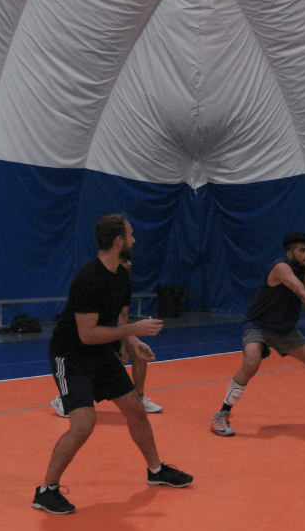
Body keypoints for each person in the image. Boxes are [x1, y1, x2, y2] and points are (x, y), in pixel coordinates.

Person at [34, 214, 192, 514]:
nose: (134, 240)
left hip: (100, 353)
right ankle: (46, 490)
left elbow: (115, 321)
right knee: (84, 424)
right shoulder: (88, 279)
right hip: (71, 355)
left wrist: (133, 341)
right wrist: (133, 329)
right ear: (119, 241)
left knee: (136, 410)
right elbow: (87, 334)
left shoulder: (120, 275)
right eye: (131, 235)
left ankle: (156, 470)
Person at [210, 231, 305, 437]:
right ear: (290, 253)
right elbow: (302, 292)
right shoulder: (281, 267)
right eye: (302, 250)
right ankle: (222, 414)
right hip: (258, 326)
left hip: (285, 331)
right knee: (252, 362)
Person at [50, 259, 162, 416]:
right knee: (94, 365)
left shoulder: (124, 284)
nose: (130, 263)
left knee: (139, 351)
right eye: (125, 260)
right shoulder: (93, 282)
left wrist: (127, 343)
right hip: (89, 335)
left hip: (115, 330)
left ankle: (139, 397)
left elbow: (122, 315)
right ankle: (65, 397)